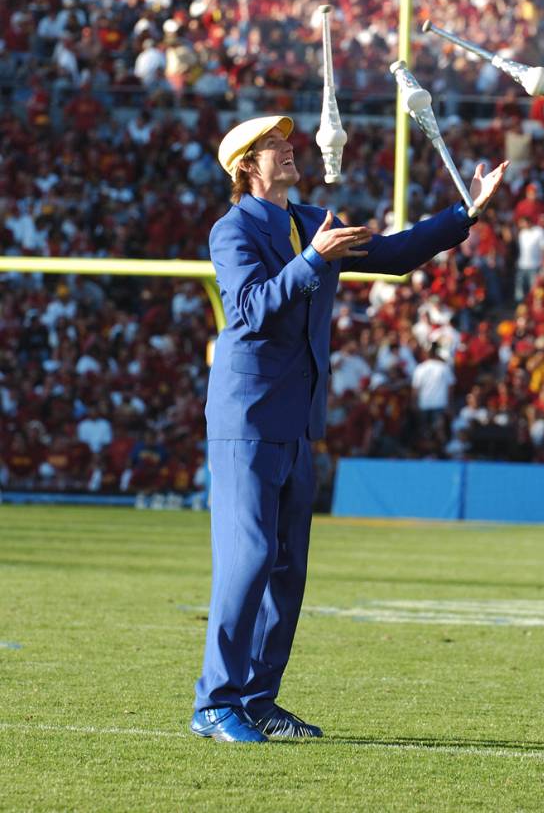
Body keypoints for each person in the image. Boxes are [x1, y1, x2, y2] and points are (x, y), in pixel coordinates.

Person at [192, 114, 508, 743]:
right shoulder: (232, 231)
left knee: (287, 568)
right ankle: (214, 703)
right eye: (272, 146)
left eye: (285, 142)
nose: (288, 148)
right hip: (247, 416)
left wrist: (465, 210)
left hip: (295, 416)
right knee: (249, 557)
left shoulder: (311, 219)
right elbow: (250, 309)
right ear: (246, 167)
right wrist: (312, 260)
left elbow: (392, 255)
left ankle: (256, 698)